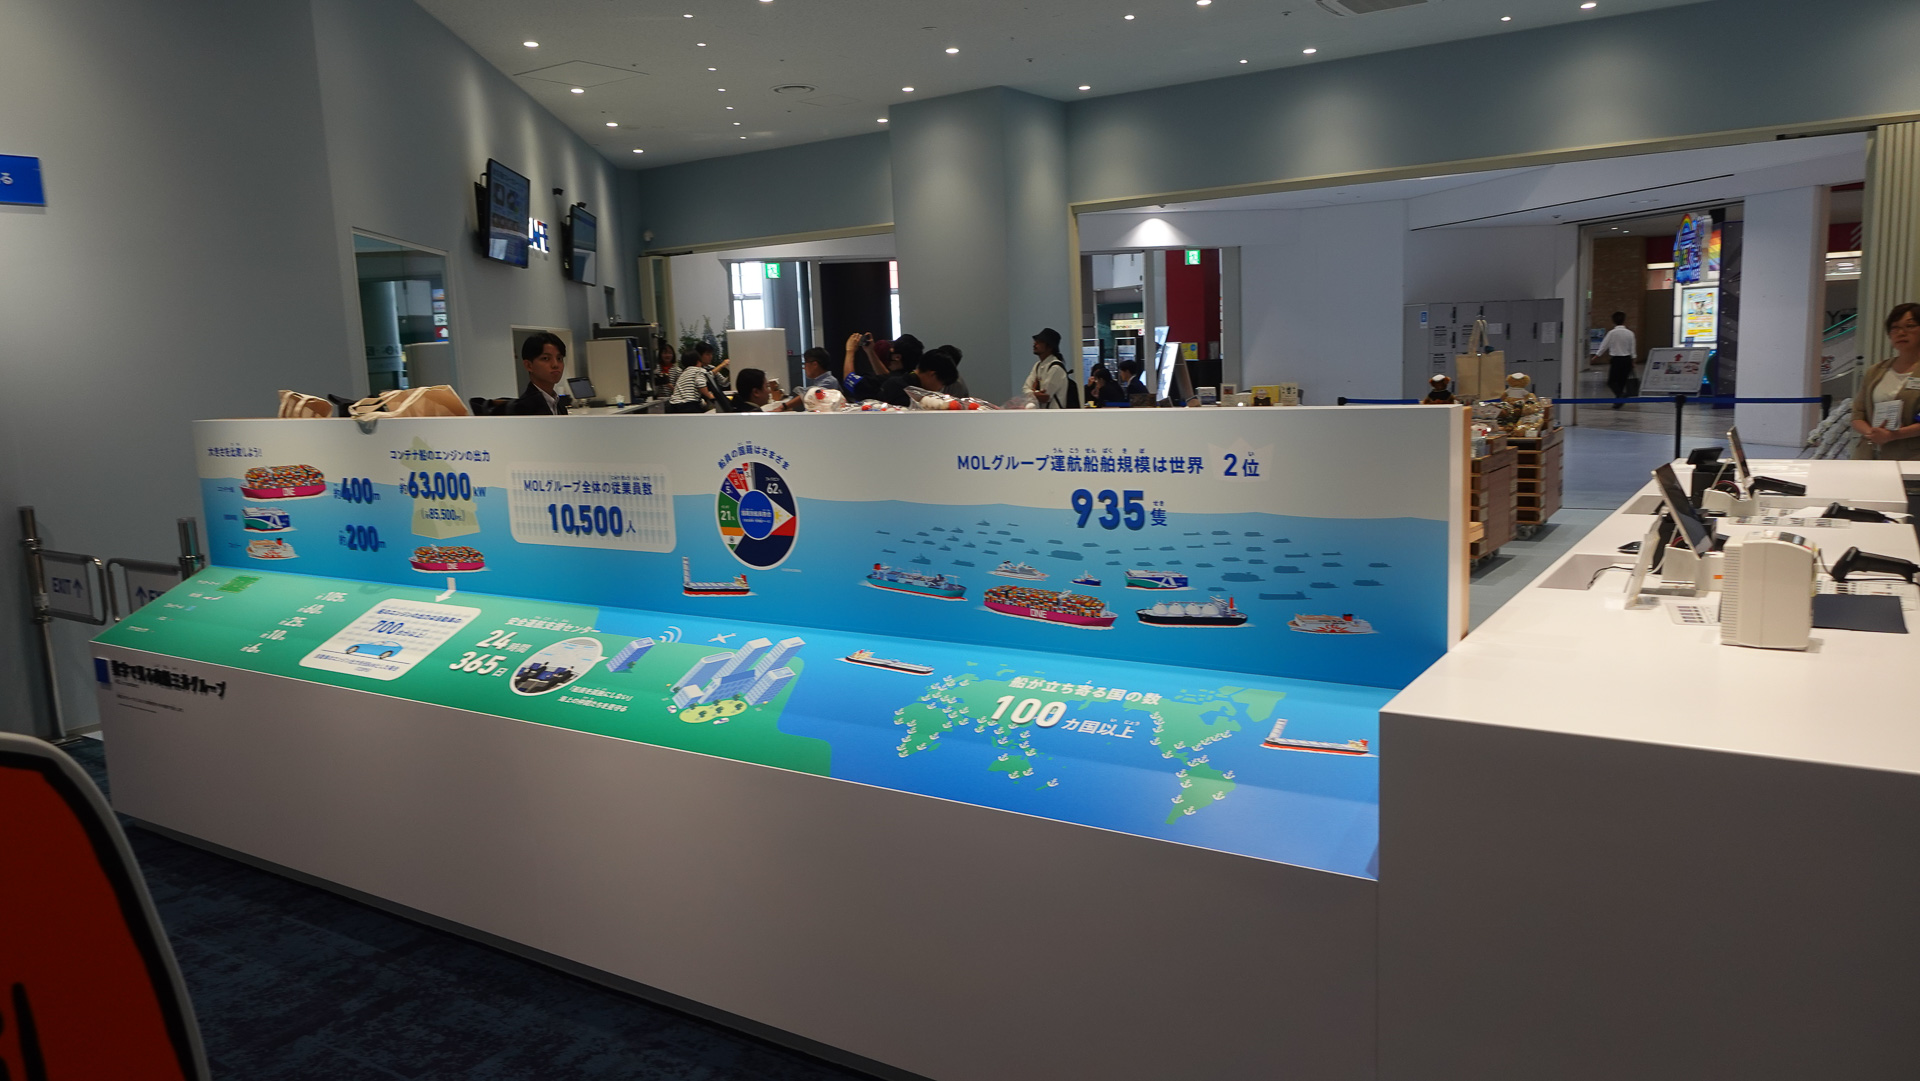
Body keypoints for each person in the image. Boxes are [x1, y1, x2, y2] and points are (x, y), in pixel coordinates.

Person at [1850, 302, 1920, 460]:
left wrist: (1893, 435)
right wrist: (1872, 433)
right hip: (1869, 455)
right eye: (1895, 327)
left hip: (1911, 458)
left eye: (1910, 326)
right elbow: (1857, 414)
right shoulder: (1875, 371)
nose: (1901, 333)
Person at [509, 332, 568, 415]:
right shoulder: (523, 408)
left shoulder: (559, 405)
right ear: (529, 365)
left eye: (559, 358)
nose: (555, 364)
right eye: (546, 358)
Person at [1590, 311, 1637, 410]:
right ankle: (1618, 402)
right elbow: (1632, 349)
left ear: (1613, 321)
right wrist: (1633, 361)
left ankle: (1621, 395)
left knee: (1611, 382)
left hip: (1616, 360)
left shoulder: (1612, 333)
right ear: (1624, 320)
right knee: (1621, 382)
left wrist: (1596, 356)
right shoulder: (1630, 333)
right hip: (1627, 360)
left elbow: (1604, 345)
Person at [1023, 327, 1077, 408]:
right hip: (1042, 413)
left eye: (1040, 342)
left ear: (1050, 347)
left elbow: (1045, 397)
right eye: (1036, 341)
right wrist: (1035, 393)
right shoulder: (1037, 366)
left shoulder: (1056, 368)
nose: (1035, 344)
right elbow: (1025, 389)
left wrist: (1032, 390)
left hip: (1054, 414)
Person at [666, 346, 716, 413]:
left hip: (673, 405)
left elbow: (687, 392)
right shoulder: (699, 370)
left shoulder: (684, 373)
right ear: (699, 362)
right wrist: (711, 397)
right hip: (689, 405)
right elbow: (700, 385)